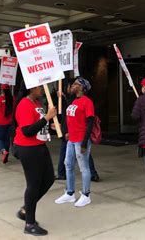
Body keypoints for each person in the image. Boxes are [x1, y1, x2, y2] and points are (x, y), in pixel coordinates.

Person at [13, 84, 56, 236]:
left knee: (49, 179)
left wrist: (49, 124)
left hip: (39, 146)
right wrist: (47, 118)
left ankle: (26, 209)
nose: (43, 90)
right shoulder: (24, 104)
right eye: (40, 87)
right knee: (33, 185)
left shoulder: (36, 103)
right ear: (31, 88)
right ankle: (29, 223)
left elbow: (38, 125)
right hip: (28, 148)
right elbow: (27, 131)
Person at [55, 77, 94, 208]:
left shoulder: (87, 102)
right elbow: (71, 118)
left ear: (82, 88)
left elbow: (90, 123)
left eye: (76, 84)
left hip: (80, 139)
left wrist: (84, 142)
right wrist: (66, 131)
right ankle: (70, 193)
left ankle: (86, 195)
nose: (73, 85)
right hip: (71, 139)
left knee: (84, 167)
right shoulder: (74, 101)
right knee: (68, 165)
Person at [0, 84, 14, 164]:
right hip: (9, 122)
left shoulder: (0, 99)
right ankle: (6, 158)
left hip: (0, 122)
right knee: (6, 139)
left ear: (2, 90)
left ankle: (3, 151)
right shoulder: (13, 99)